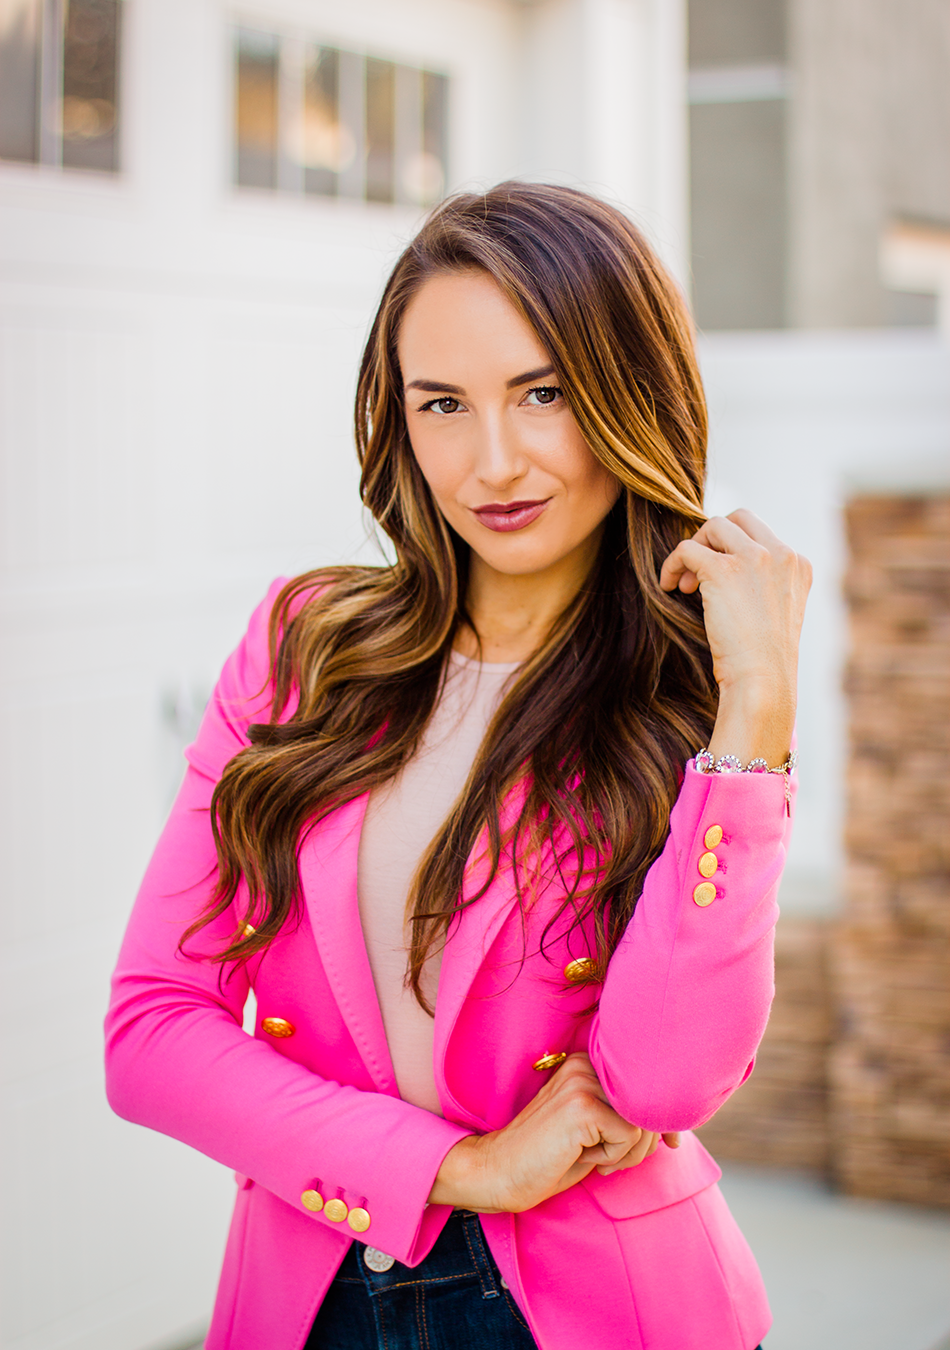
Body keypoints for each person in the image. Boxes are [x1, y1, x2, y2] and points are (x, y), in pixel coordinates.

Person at [105, 181, 811, 1350]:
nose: (493, 461)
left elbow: (663, 1085)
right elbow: (151, 1034)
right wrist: (457, 1168)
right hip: (308, 1296)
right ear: (399, 420)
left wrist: (757, 709)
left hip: (599, 1307)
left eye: (543, 393)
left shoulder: (690, 695)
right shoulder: (303, 648)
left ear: (627, 392)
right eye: (442, 404)